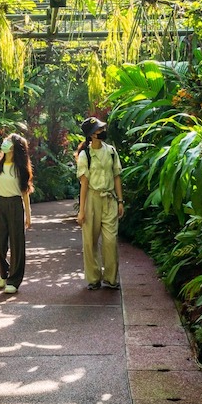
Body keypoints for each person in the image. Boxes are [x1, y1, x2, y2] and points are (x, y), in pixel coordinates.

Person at [75, 117, 124, 290]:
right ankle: (94, 278)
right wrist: (81, 211)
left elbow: (117, 176)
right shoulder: (84, 155)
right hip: (91, 199)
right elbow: (84, 185)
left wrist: (120, 200)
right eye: (99, 129)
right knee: (90, 241)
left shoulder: (111, 151)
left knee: (110, 240)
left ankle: (111, 278)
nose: (103, 131)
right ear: (92, 135)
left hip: (109, 199)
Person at [0, 133, 33, 294]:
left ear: (14, 146)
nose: (5, 142)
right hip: (0, 205)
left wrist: (28, 215)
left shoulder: (21, 168)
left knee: (17, 244)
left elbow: (25, 193)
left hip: (16, 205)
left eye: (9, 141)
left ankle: (14, 280)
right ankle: (4, 273)